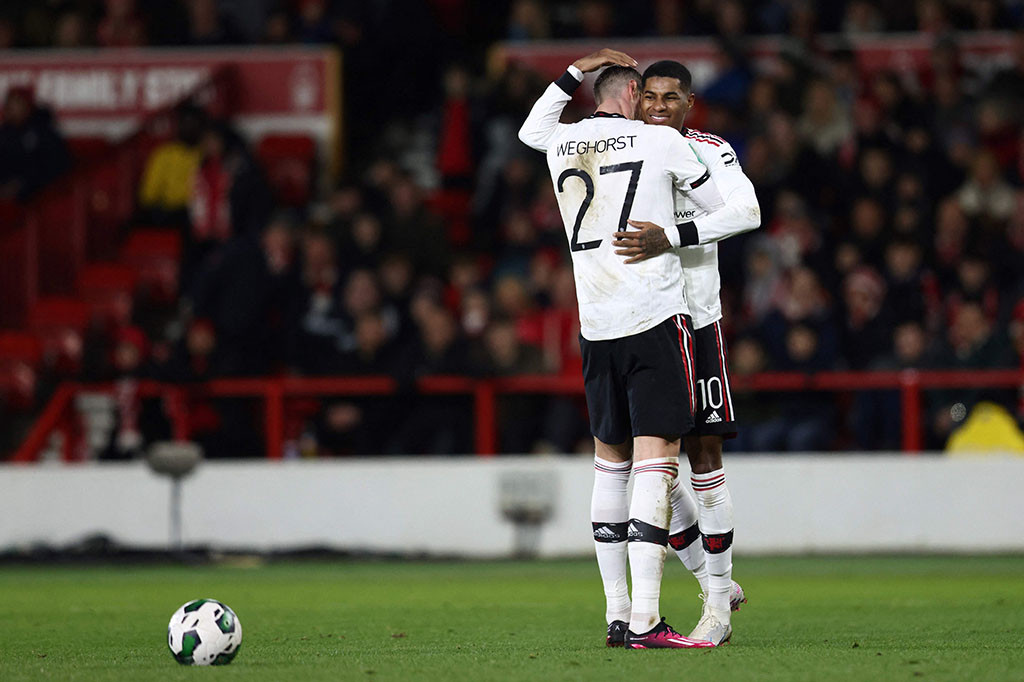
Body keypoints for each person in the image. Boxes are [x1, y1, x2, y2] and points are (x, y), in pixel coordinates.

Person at [519, 50, 729, 649]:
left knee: (609, 465)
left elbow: (530, 128)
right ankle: (646, 619)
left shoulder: (563, 143)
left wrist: (575, 68)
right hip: (651, 315)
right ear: (635, 94)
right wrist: (679, 229)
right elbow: (722, 207)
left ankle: (616, 615)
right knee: (657, 460)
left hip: (595, 322)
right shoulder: (657, 143)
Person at [610, 60, 761, 645]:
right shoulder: (621, 149)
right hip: (637, 326)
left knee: (701, 459)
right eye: (649, 96)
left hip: (695, 324)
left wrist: (668, 237)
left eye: (671, 98)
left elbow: (747, 211)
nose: (658, 106)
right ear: (636, 98)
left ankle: (717, 610)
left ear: (689, 104)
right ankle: (715, 579)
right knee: (654, 473)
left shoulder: (708, 150)